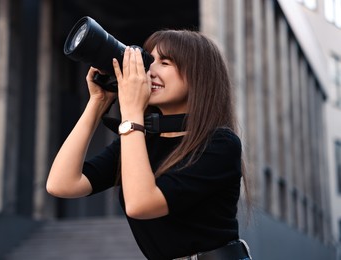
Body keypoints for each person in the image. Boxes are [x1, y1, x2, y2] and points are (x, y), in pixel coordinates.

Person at [46, 29, 252, 260]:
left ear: (199, 76)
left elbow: (141, 204)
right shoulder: (141, 141)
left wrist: (132, 112)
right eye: (149, 61)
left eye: (165, 62)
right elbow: (62, 184)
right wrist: (98, 102)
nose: (149, 71)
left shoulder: (219, 143)